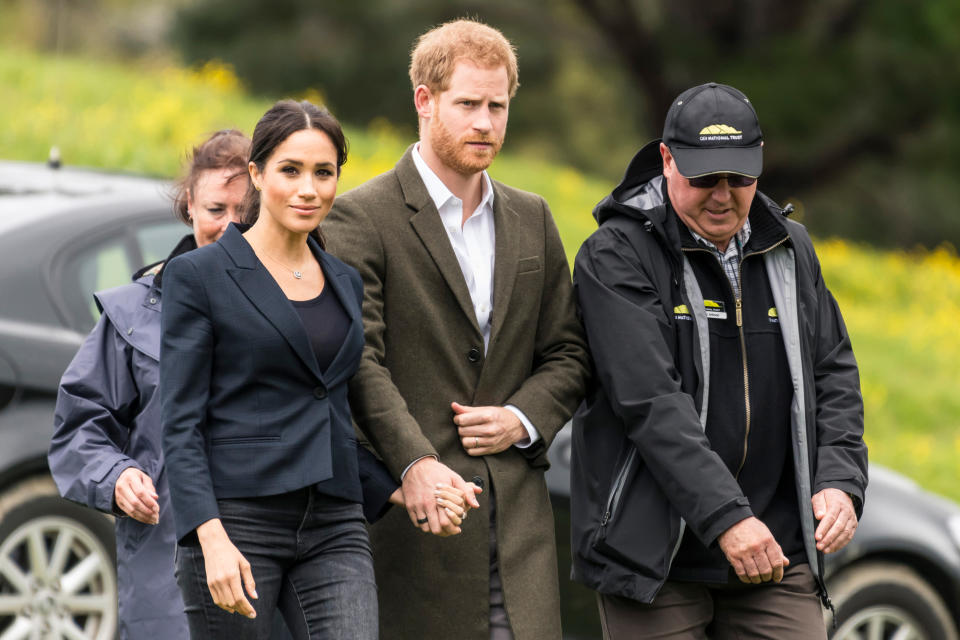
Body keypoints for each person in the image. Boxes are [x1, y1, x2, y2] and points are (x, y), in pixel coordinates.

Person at [159, 100, 473, 639]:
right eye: (291, 170)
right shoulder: (198, 276)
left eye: (323, 173)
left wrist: (399, 481)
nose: (309, 188)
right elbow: (181, 424)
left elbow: (331, 406)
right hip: (238, 521)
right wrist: (208, 537)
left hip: (334, 523)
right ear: (257, 174)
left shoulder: (344, 282)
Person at [570, 82, 868, 639]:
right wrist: (727, 518)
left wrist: (840, 479)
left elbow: (832, 370)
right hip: (657, 562)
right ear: (666, 158)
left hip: (776, 555)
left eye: (740, 179)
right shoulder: (615, 253)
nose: (723, 195)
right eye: (704, 177)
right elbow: (651, 402)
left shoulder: (791, 247)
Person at [323, 19, 590, 640]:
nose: (485, 123)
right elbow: (360, 363)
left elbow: (569, 352)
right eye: (468, 104)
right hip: (413, 533)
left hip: (520, 533)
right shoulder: (360, 217)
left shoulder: (533, 217)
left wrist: (521, 418)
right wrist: (414, 461)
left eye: (497, 106)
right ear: (425, 100)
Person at [49, 129, 251, 639]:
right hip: (166, 574)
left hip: (270, 560)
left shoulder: (305, 304)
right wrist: (116, 475)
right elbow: (79, 430)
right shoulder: (135, 311)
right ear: (188, 205)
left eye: (245, 213)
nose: (230, 228)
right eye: (215, 209)